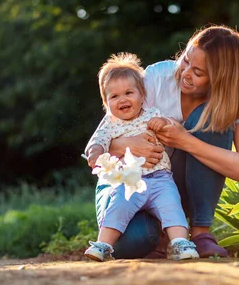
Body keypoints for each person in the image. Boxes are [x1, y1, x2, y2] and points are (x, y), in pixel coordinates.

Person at [86, 25, 239, 259]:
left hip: (167, 185)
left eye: (198, 72)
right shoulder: (157, 78)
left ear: (220, 79)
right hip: (127, 184)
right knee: (136, 241)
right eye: (186, 60)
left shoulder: (235, 101)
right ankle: (163, 237)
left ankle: (200, 234)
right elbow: (103, 135)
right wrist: (126, 145)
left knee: (213, 118)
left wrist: (185, 141)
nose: (185, 73)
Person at [84, 52, 199, 262]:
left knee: (171, 206)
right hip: (128, 182)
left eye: (129, 92)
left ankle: (181, 243)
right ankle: (103, 244)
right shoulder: (109, 124)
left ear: (142, 95)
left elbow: (173, 130)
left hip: (160, 179)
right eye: (114, 96)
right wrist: (96, 152)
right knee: (117, 207)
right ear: (106, 102)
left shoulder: (151, 114)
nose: (123, 99)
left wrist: (163, 122)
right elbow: (96, 142)